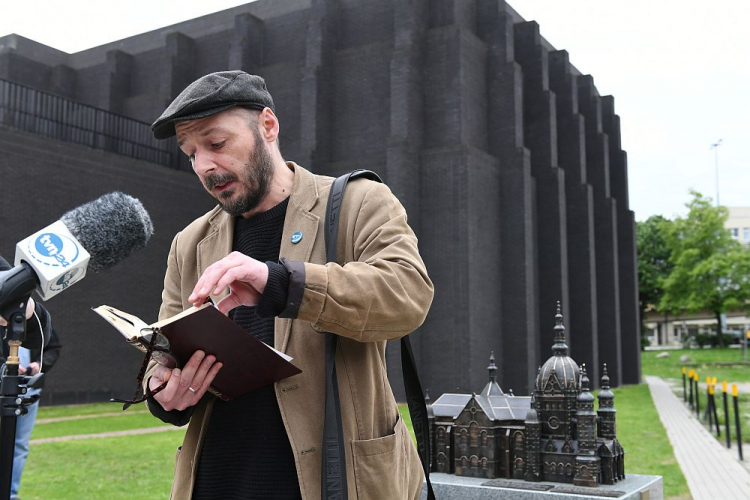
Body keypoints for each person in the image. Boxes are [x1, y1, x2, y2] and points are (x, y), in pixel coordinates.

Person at [145, 70, 434, 499]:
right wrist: (161, 387)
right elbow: (164, 343)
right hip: (215, 480)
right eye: (190, 154)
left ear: (268, 126)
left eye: (216, 144)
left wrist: (281, 282)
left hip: (334, 481)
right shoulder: (189, 244)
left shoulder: (359, 202)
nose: (204, 165)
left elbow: (408, 294)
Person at [0, 256, 60, 500]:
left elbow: (52, 345)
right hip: (5, 384)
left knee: (19, 446)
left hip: (28, 389)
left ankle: (11, 494)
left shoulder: (26, 313)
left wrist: (38, 365)